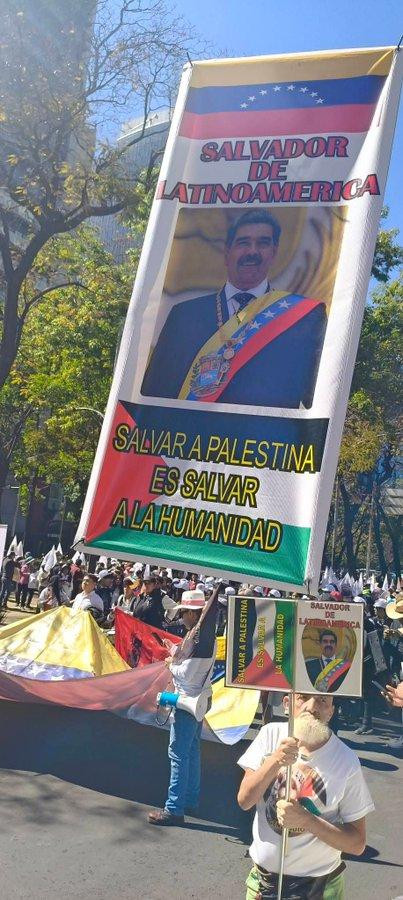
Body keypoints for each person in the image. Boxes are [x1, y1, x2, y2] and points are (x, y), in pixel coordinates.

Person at [141, 210, 327, 408]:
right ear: (227, 251)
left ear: (274, 251)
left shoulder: (304, 318)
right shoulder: (184, 315)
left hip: (262, 437)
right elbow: (154, 391)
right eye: (243, 243)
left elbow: (315, 401)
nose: (252, 252)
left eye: (263, 243)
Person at [238, 691, 374, 899]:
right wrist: (275, 760)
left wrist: (307, 820)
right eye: (302, 697)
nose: (312, 706)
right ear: (287, 704)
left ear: (331, 712)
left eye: (322, 700)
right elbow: (245, 800)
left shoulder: (346, 760)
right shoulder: (270, 735)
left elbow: (356, 844)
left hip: (319, 888)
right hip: (262, 884)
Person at [148, 588, 218, 826]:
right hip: (200, 698)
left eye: (184, 612)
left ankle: (174, 808)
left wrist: (170, 663)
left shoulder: (198, 638)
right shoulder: (203, 636)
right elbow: (192, 664)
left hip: (188, 700)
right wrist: (174, 651)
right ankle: (189, 800)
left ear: (191, 612)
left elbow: (187, 673)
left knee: (178, 753)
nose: (181, 617)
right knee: (192, 750)